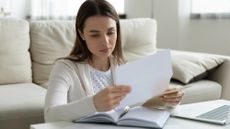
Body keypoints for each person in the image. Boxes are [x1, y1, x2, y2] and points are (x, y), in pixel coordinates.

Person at [44, 0, 184, 122]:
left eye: (110, 33)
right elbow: (50, 115)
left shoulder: (120, 65)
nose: (105, 42)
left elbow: (137, 103)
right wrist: (94, 103)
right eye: (95, 35)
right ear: (82, 34)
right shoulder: (65, 68)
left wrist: (167, 99)